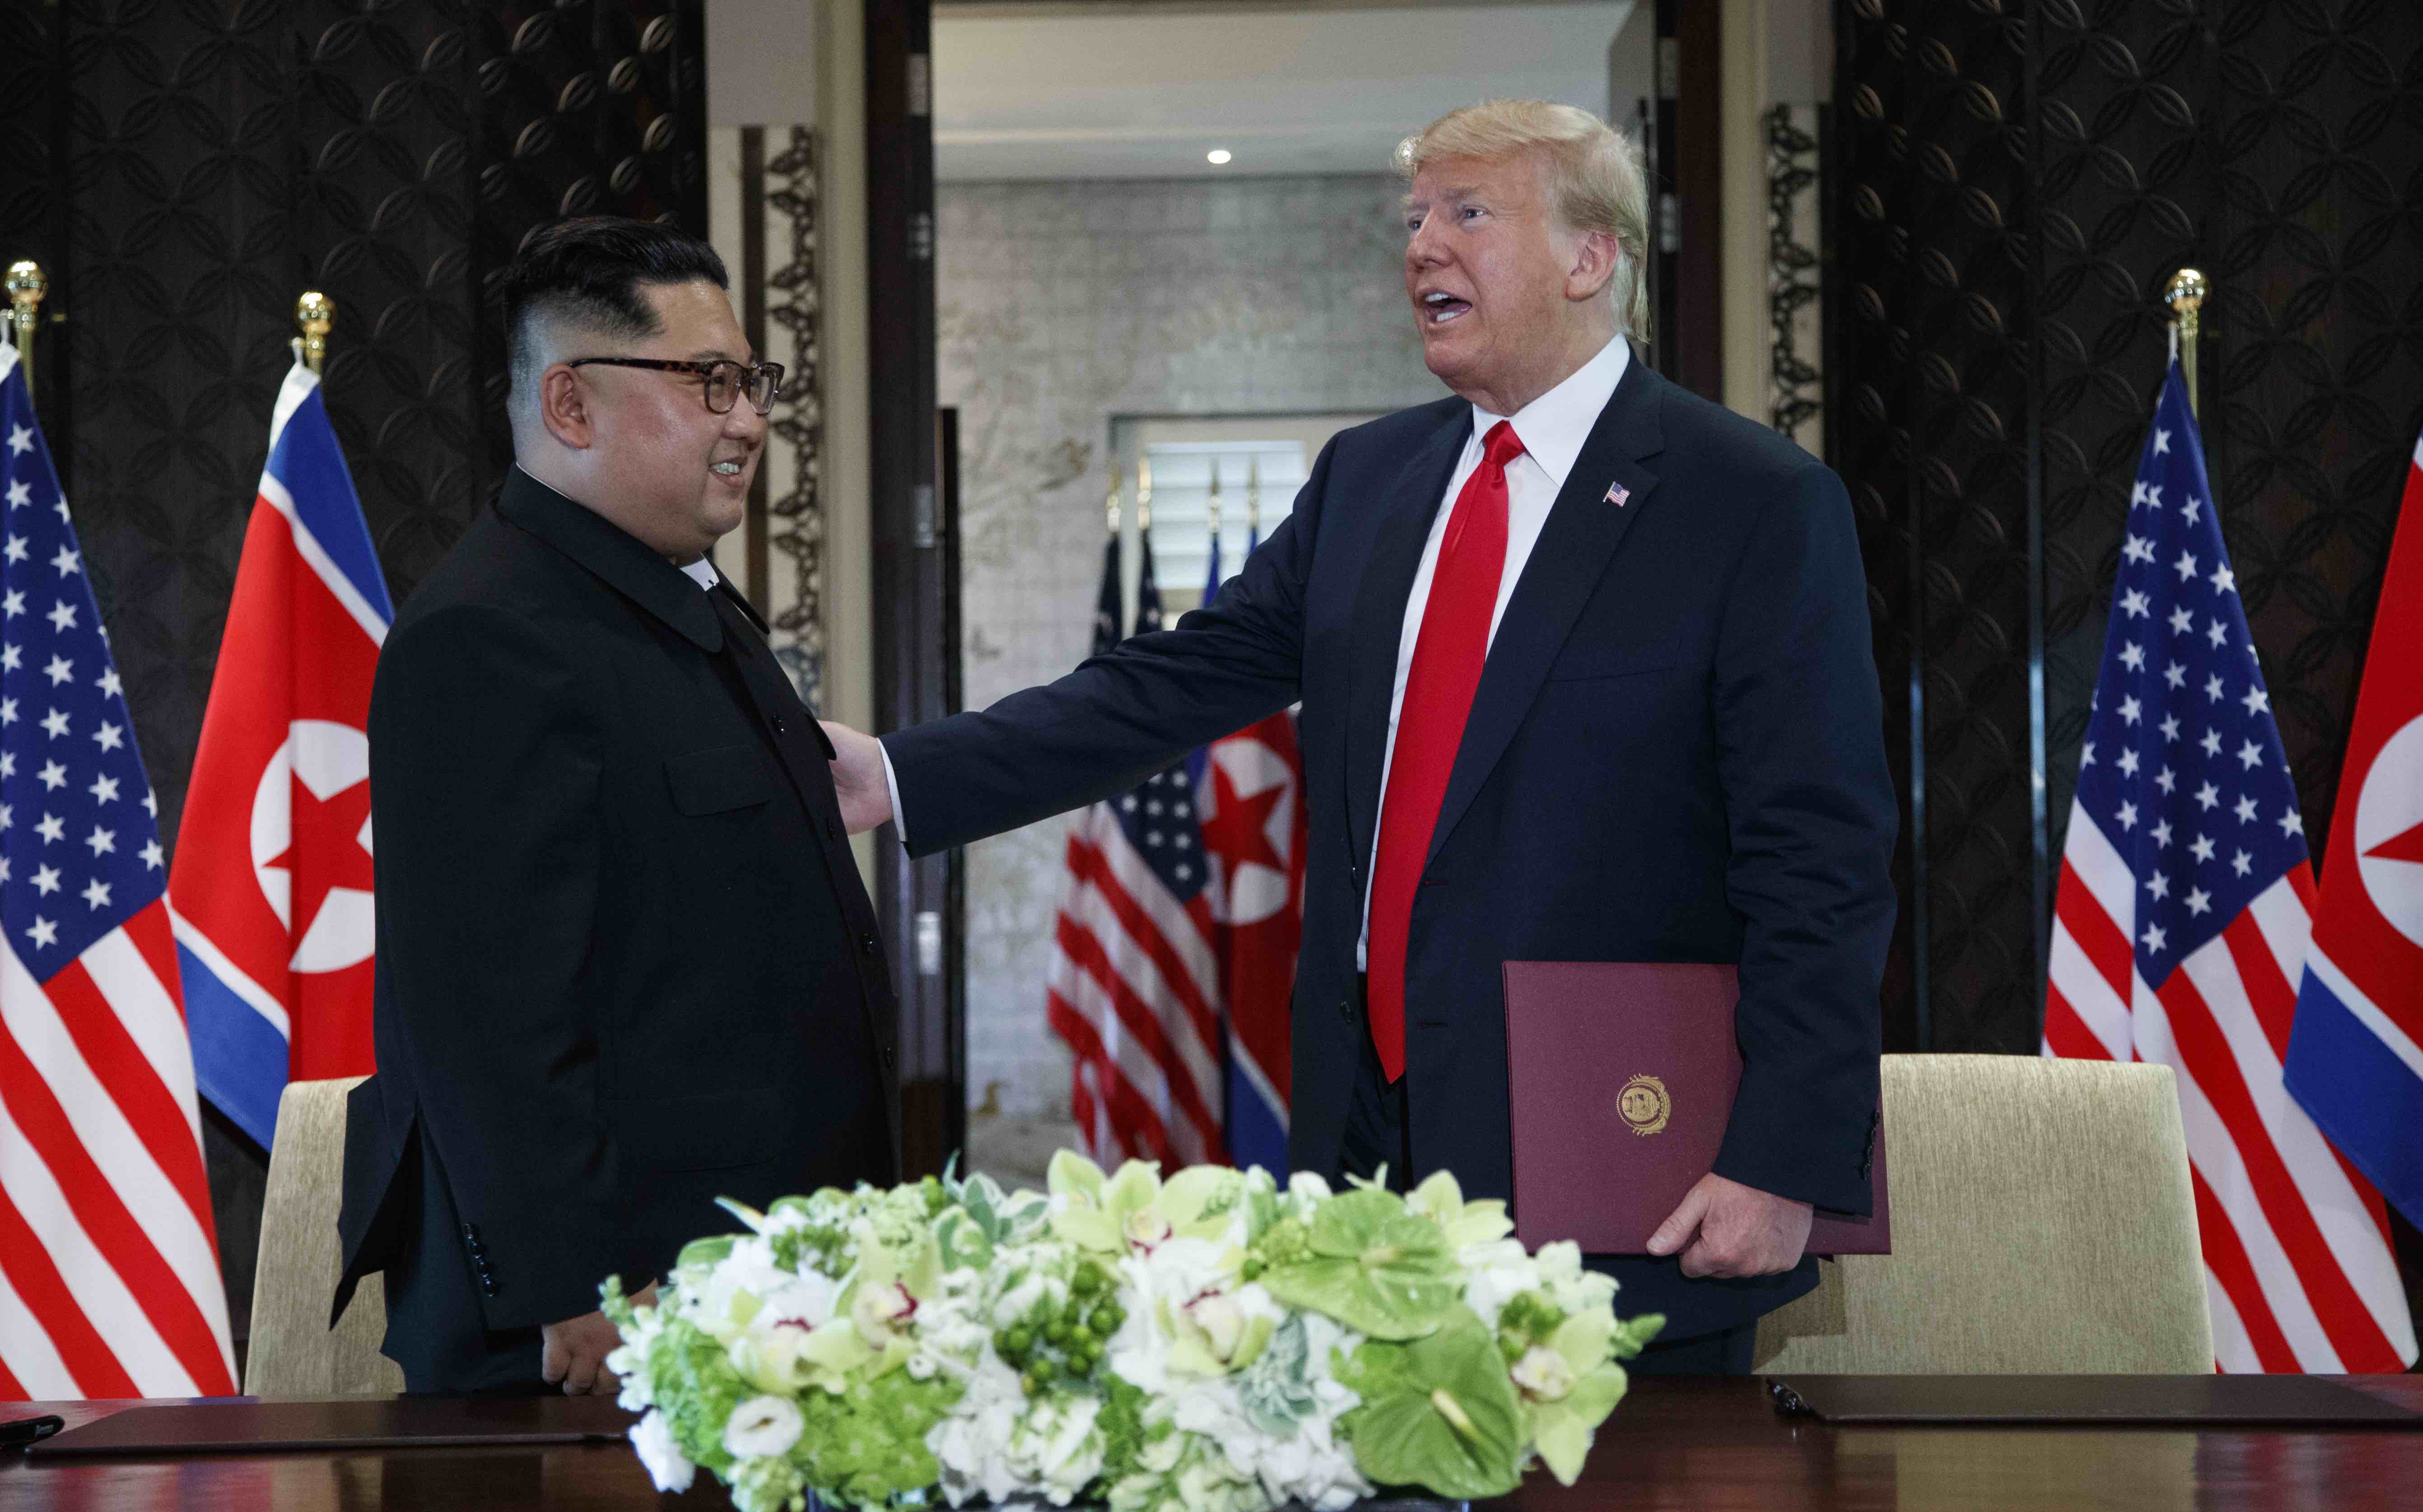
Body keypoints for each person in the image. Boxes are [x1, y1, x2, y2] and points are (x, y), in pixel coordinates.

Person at [824, 101, 1896, 1374]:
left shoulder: (1752, 502)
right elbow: (1167, 684)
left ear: (1590, 256)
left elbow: (1819, 859)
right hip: (1363, 1163)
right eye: (1413, 219)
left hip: (1620, 1176)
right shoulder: (1369, 481)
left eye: (1468, 214)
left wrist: (1779, 1159)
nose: (1422, 248)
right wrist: (898, 773)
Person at [335, 218, 896, 1395]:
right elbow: (487, 1024)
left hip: (751, 1305)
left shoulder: (688, 608)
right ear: (570, 405)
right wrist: (584, 1296)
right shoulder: (487, 635)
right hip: (600, 1347)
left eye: (751, 380)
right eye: (708, 382)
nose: (748, 417)